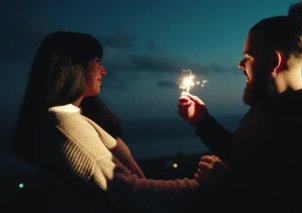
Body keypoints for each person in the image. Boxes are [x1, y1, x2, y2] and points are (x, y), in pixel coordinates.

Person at [10, 31, 228, 213]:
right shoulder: (62, 123)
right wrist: (202, 187)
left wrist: (202, 121)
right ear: (72, 67)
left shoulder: (76, 118)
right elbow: (127, 194)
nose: (104, 71)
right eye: (97, 62)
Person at [178, 1, 302, 212]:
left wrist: (226, 185)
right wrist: (202, 121)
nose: (240, 65)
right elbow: (243, 156)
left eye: (247, 57)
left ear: (274, 61)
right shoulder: (265, 107)